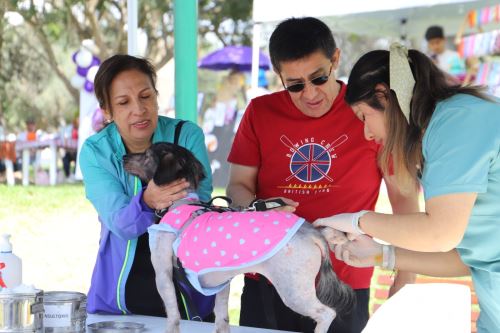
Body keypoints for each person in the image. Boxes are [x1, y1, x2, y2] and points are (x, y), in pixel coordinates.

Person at [226, 17, 419, 333]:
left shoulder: (368, 112)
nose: (310, 94)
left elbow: (405, 202)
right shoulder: (260, 112)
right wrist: (260, 211)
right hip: (269, 276)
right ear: (279, 76)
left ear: (336, 60)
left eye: (318, 78)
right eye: (295, 85)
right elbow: (238, 185)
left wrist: (404, 280)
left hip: (344, 281)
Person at [314, 43, 500, 333]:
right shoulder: (440, 130)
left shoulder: (457, 121)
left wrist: (358, 220)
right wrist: (383, 255)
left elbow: (439, 233)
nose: (366, 133)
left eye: (364, 116)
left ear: (383, 95)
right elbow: (471, 258)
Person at [79, 54, 215, 319]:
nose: (139, 110)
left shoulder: (186, 135)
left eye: (145, 96)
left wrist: (143, 204)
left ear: (156, 95)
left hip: (187, 290)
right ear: (106, 111)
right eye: (123, 102)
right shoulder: (97, 152)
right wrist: (147, 201)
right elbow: (121, 224)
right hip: (121, 299)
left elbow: (197, 207)